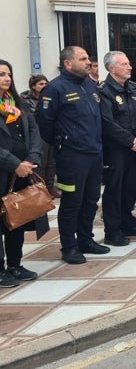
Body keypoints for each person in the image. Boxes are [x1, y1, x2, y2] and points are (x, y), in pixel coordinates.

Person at [36, 46, 109, 264]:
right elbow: (45, 123)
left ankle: (86, 240)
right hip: (71, 157)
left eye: (88, 58)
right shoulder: (55, 89)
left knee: (90, 200)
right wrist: (65, 141)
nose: (89, 62)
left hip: (94, 153)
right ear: (68, 63)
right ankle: (69, 246)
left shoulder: (89, 84)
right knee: (72, 203)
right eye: (83, 59)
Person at [0, 59, 48, 287]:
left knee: (16, 220)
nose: (6, 78)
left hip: (21, 172)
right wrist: (14, 163)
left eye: (8, 74)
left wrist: (31, 159)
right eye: (1, 74)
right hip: (4, 172)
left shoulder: (18, 104)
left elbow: (34, 132)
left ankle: (15, 264)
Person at [99, 51, 136, 247]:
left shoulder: (133, 89)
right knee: (114, 188)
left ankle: (127, 222)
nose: (130, 67)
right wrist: (131, 140)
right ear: (112, 68)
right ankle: (112, 231)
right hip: (115, 149)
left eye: (129, 63)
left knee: (130, 186)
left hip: (133, 146)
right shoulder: (104, 91)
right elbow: (107, 123)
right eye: (124, 64)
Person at [21, 74, 59, 199]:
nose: (44, 86)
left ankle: (50, 187)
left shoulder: (49, 97)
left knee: (51, 162)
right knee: (41, 163)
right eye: (41, 84)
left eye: (45, 83)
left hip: (50, 132)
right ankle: (41, 188)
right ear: (33, 86)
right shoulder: (25, 100)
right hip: (37, 134)